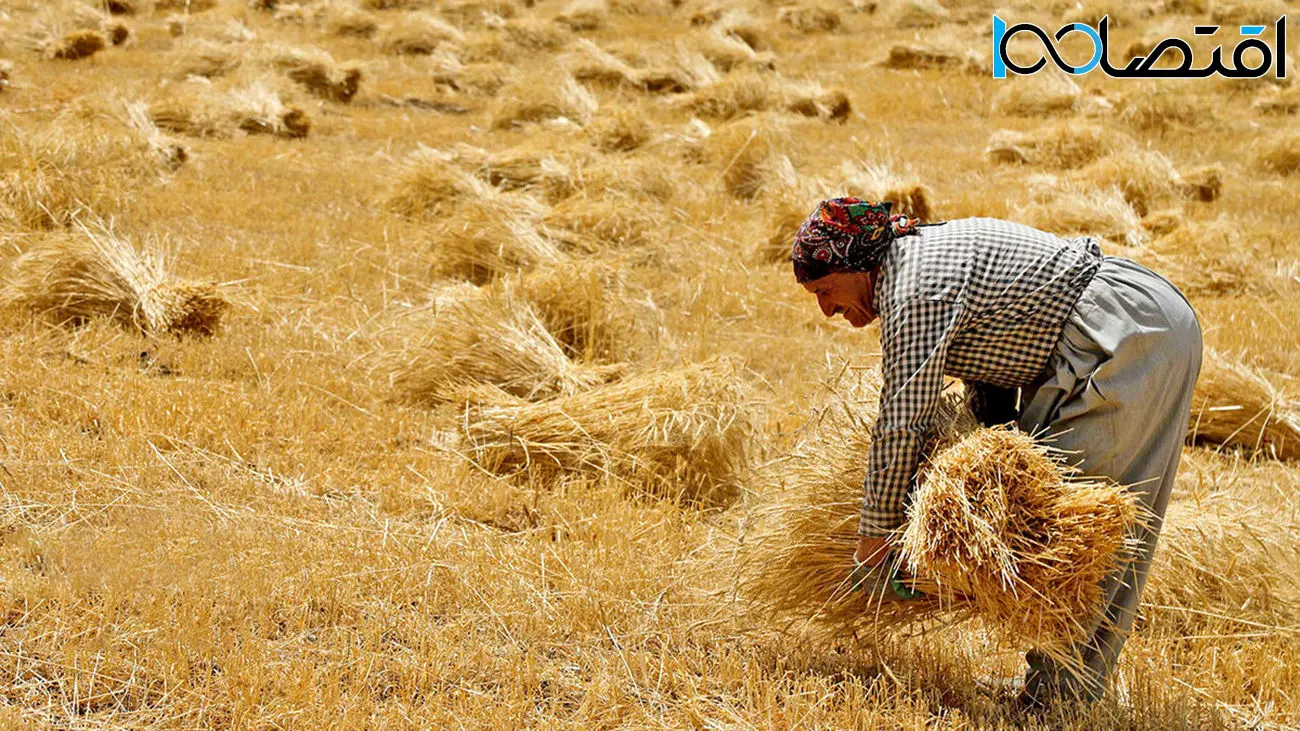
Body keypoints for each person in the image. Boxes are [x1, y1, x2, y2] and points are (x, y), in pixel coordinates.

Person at [790, 197, 1203, 708]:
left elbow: (902, 421)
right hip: (1125, 326)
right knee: (1062, 526)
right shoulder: (914, 262)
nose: (826, 309)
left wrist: (874, 540)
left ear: (859, 264)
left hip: (1128, 337)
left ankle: (1061, 701)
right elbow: (992, 355)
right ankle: (1056, 689)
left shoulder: (915, 288)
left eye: (827, 290)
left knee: (1074, 531)